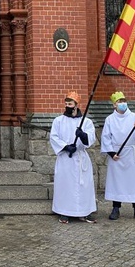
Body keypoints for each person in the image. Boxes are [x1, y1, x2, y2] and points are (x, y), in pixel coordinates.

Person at [101, 91, 135, 221]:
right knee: (117, 182)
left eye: (123, 101)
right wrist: (111, 153)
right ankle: (116, 208)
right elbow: (106, 137)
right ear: (114, 105)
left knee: (134, 182)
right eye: (119, 102)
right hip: (117, 155)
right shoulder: (110, 119)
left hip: (131, 153)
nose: (122, 103)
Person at [49, 90, 97, 224]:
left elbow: (91, 138)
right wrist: (65, 146)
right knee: (65, 185)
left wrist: (82, 135)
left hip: (81, 157)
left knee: (84, 186)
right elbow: (54, 137)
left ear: (76, 105)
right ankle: (64, 212)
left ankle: (85, 212)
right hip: (66, 158)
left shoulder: (86, 122)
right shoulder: (58, 121)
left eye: (70, 103)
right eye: (66, 103)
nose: (67, 106)